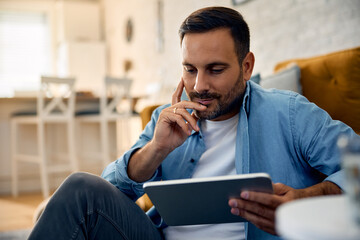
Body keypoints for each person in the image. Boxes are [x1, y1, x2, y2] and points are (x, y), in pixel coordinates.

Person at [29, 6, 358, 240]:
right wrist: (157, 148)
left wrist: (309, 197)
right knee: (80, 189)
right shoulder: (165, 118)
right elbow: (111, 194)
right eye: (189, 69)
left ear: (246, 66)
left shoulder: (288, 113)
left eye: (215, 69)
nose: (199, 85)